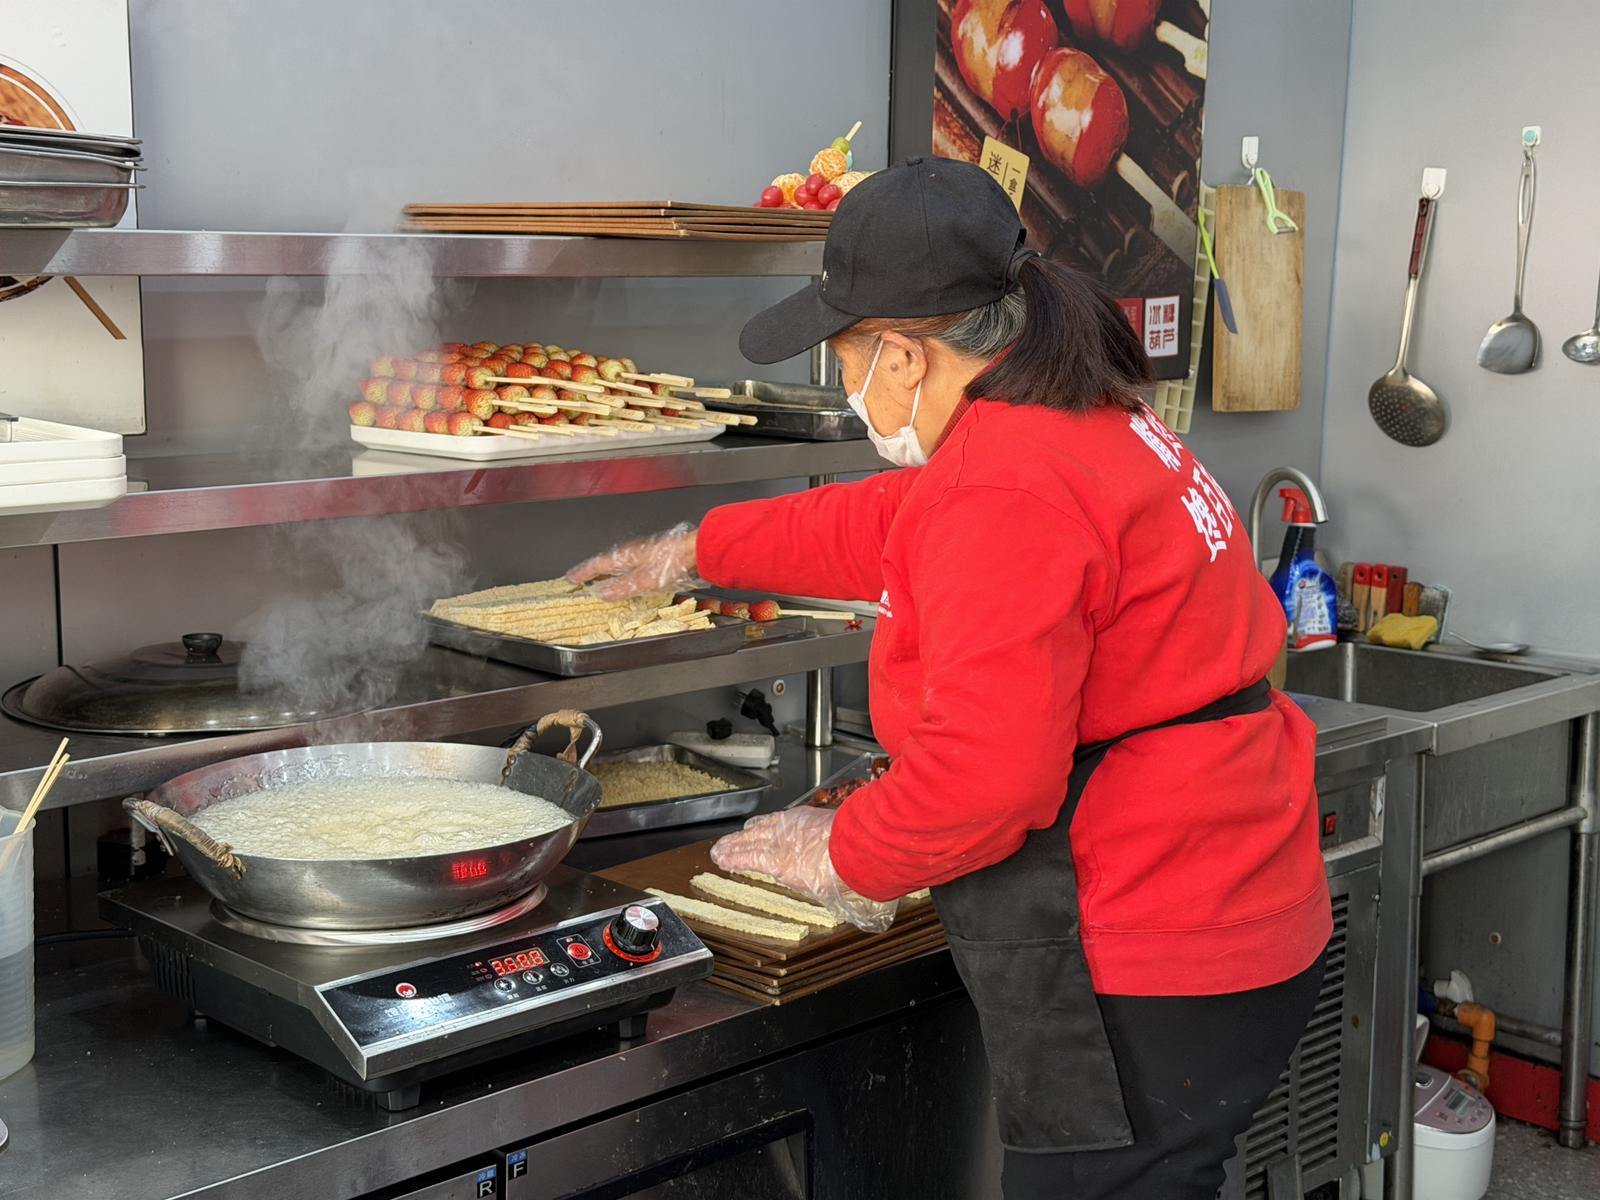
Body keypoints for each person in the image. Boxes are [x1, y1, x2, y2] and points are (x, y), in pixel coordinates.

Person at [568, 158, 1331, 1200]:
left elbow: (986, 780)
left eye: (841, 360)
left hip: (1143, 938)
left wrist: (843, 852)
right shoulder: (1076, 418)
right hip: (1231, 896)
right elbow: (888, 523)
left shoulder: (1005, 482)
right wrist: (698, 548)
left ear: (901, 355)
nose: (845, 389)